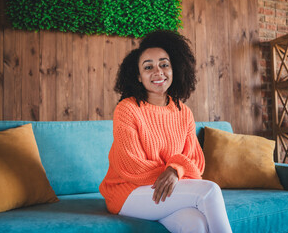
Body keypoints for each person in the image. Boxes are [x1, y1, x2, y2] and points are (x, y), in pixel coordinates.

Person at [99, 30, 232, 233]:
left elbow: (195, 161)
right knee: (210, 191)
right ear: (138, 76)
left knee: (196, 224)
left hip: (167, 189)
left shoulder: (183, 111)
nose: (158, 72)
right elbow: (131, 166)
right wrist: (173, 172)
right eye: (148, 67)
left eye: (164, 64)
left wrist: (175, 171)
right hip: (128, 193)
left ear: (174, 69)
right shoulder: (127, 109)